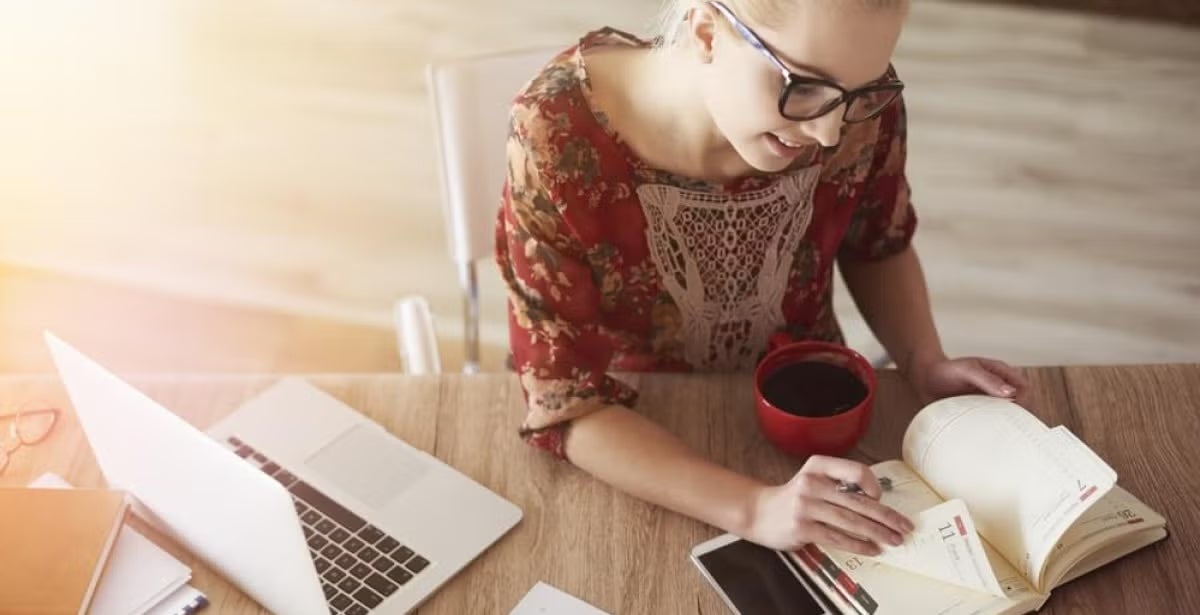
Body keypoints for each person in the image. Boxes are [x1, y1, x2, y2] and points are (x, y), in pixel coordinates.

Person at [494, 0, 1030, 557]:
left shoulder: (855, 111)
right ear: (706, 33)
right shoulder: (554, 134)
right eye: (804, 87)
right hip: (637, 438)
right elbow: (566, 400)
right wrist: (755, 508)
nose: (827, 134)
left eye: (860, 92)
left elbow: (876, 244)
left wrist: (923, 360)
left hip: (814, 412)